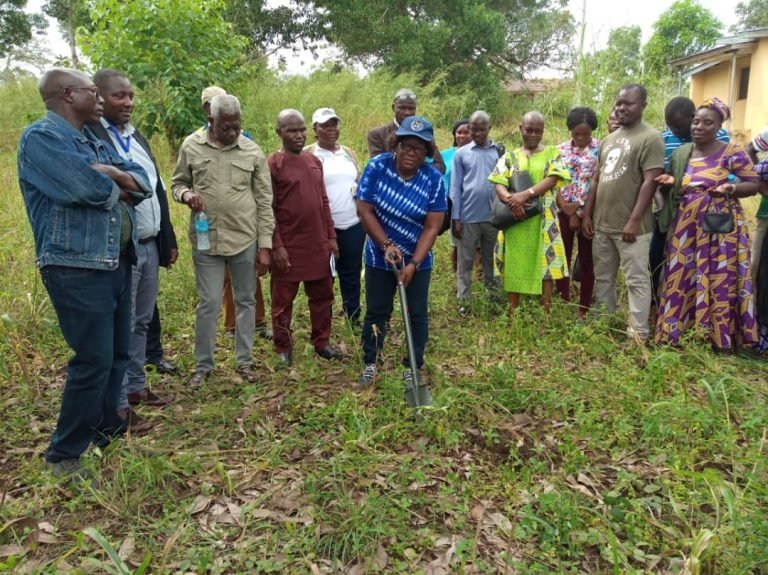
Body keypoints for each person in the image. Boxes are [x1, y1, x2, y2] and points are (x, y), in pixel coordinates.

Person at [18, 68, 152, 483]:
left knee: (115, 353)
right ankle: (64, 454)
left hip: (114, 259)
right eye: (92, 92)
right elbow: (85, 188)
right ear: (66, 94)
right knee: (92, 358)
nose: (100, 99)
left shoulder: (94, 139)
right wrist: (113, 178)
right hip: (76, 265)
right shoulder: (41, 138)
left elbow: (143, 183)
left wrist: (110, 172)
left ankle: (105, 427)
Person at [89, 69, 176, 435]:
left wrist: (167, 234)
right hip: (119, 248)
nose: (128, 103)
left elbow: (155, 186)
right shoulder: (92, 137)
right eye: (119, 96)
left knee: (141, 319)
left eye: (130, 96)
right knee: (120, 326)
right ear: (99, 99)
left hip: (149, 242)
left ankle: (137, 385)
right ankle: (118, 404)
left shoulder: (134, 136)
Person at [172, 94, 274, 385]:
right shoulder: (191, 146)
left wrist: (265, 245)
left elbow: (265, 201)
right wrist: (186, 195)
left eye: (236, 125)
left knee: (245, 299)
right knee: (209, 302)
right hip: (207, 241)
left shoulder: (252, 150)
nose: (232, 131)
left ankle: (245, 362)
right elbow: (177, 183)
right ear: (211, 120)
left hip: (244, 238)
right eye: (226, 126)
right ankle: (203, 365)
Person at [655, 99, 759, 351]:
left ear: (719, 126)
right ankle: (675, 332)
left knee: (717, 277)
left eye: (707, 122)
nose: (699, 127)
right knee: (681, 276)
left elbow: (754, 183)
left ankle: (718, 337)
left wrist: (731, 188)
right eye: (696, 121)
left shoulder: (731, 152)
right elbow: (675, 179)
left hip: (718, 227)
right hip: (685, 224)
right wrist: (670, 181)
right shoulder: (684, 153)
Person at [355, 115, 447, 387]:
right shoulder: (377, 167)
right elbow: (364, 209)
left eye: (418, 148)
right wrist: (386, 244)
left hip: (417, 259)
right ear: (395, 145)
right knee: (377, 311)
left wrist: (413, 264)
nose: (410, 153)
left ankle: (413, 365)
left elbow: (432, 227)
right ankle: (371, 362)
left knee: (416, 313)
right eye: (405, 145)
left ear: (427, 153)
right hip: (378, 255)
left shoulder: (433, 179)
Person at [583, 84, 664, 341]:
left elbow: (650, 181)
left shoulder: (650, 138)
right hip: (602, 224)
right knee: (603, 277)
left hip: (632, 229)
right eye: (618, 103)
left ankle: (638, 334)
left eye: (628, 103)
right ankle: (603, 322)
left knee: (636, 280)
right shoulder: (609, 140)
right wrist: (587, 214)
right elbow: (597, 180)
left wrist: (633, 220)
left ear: (642, 105)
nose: (621, 108)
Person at [196, 87, 272, 341]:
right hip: (211, 231)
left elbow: (261, 193)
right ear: (207, 112)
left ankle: (256, 323)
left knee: (249, 280)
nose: (231, 131)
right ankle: (231, 325)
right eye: (209, 104)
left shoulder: (246, 142)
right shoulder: (195, 143)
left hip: (243, 229)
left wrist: (264, 240)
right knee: (222, 283)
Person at [268, 109, 340, 367]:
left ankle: (321, 342)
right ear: (279, 133)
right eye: (291, 130)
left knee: (322, 297)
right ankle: (283, 348)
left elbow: (323, 201)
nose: (298, 135)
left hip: (318, 243)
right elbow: (269, 208)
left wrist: (331, 237)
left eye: (301, 130)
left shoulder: (313, 161)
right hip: (289, 244)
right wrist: (277, 246)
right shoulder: (274, 164)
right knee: (282, 301)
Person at [651, 96, 730, 308]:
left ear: (692, 117)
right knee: (658, 256)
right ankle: (659, 303)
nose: (674, 130)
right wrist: (661, 203)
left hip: (708, 210)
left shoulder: (719, 136)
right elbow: (659, 176)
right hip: (671, 210)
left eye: (678, 125)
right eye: (670, 125)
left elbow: (731, 173)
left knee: (705, 259)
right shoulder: (665, 138)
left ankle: (702, 305)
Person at [489, 111, 570, 312]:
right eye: (529, 130)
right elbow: (499, 182)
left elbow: (553, 178)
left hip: (544, 219)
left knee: (546, 263)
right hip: (516, 219)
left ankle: (546, 311)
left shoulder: (552, 153)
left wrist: (525, 195)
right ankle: (512, 312)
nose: (533, 134)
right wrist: (512, 202)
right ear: (520, 129)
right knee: (515, 262)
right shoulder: (510, 156)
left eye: (538, 131)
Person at [306, 107, 364, 326]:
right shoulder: (308, 154)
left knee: (351, 272)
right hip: (322, 228)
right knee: (323, 275)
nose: (330, 129)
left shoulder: (349, 153)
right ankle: (324, 320)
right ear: (315, 129)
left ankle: (353, 316)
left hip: (352, 224)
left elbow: (358, 183)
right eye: (324, 125)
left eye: (334, 124)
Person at [450, 111, 502, 312]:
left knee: (491, 259)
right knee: (466, 261)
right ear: (469, 129)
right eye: (474, 129)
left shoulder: (498, 151)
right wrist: (456, 217)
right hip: (468, 217)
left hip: (492, 217)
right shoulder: (461, 153)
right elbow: (455, 187)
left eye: (482, 129)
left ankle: (494, 298)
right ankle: (464, 300)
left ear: (489, 128)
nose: (478, 133)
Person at [555, 107, 599, 319]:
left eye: (586, 134)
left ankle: (584, 308)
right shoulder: (559, 150)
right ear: (570, 131)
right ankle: (562, 300)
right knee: (561, 257)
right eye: (576, 133)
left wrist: (581, 211)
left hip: (590, 212)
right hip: (563, 211)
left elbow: (597, 183)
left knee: (587, 260)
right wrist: (567, 210)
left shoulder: (601, 149)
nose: (581, 138)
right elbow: (554, 182)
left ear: (592, 131)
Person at [367, 88, 445, 173]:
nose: (407, 112)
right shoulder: (377, 134)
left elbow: (440, 166)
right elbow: (378, 166)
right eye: (402, 108)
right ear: (393, 108)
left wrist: (417, 177)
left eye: (411, 108)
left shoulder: (424, 134)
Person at [441, 119, 470, 274]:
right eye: (459, 132)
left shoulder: (477, 152)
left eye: (467, 132)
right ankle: (457, 277)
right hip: (452, 204)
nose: (463, 135)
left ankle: (477, 280)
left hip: (473, 203)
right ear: (454, 134)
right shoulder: (445, 155)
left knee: (477, 245)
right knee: (456, 243)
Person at [746, 126, 768, 289]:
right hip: (766, 215)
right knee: (756, 264)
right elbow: (749, 149)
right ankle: (753, 309)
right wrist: (761, 186)